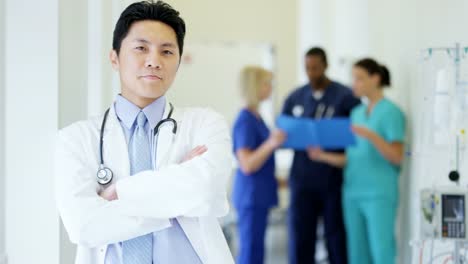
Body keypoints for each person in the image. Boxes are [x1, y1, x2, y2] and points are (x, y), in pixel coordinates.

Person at [54, 1, 234, 263]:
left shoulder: (205, 124)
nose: (154, 61)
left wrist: (117, 193)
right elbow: (84, 226)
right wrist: (174, 193)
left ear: (178, 62)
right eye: (141, 48)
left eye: (167, 52)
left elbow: (205, 191)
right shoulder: (75, 139)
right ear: (114, 58)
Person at [308, 58, 405, 264]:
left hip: (379, 194)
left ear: (375, 79)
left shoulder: (391, 112)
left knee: (381, 252)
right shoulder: (356, 114)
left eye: (359, 79)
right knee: (357, 255)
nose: (354, 84)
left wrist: (371, 135)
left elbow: (396, 156)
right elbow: (352, 158)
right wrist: (321, 156)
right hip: (352, 193)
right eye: (353, 79)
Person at [282, 47, 360, 264]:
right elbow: (284, 131)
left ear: (325, 66)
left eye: (316, 68)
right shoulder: (296, 97)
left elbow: (358, 131)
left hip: (331, 178)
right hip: (302, 178)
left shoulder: (345, 96)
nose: (311, 73)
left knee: (335, 234)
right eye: (307, 68)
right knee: (301, 235)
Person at [232, 66, 286, 264]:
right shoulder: (245, 121)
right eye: (266, 84)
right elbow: (247, 164)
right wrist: (272, 143)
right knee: (250, 252)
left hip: (259, 194)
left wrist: (281, 181)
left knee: (257, 251)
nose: (270, 88)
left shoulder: (257, 117)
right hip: (250, 197)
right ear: (255, 87)